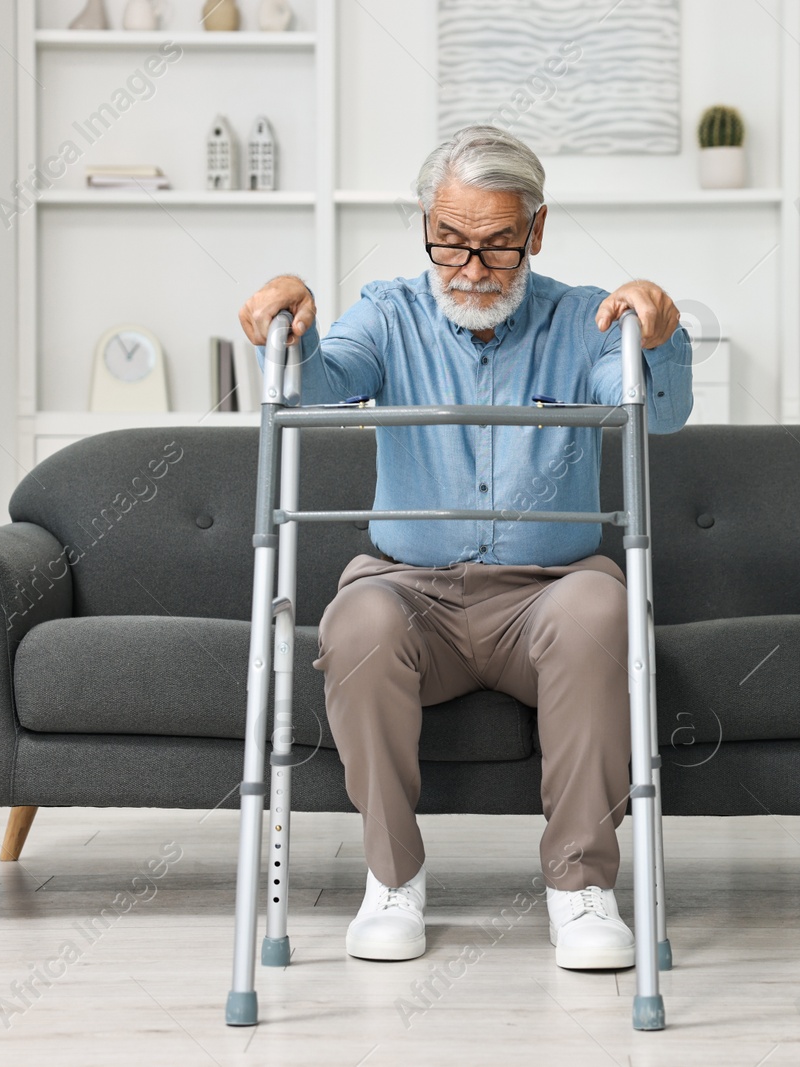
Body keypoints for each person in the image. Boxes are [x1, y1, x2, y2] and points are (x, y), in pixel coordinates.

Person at [239, 124, 692, 970]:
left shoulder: (588, 317)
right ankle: (392, 878)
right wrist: (287, 331)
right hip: (411, 591)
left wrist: (657, 335)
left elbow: (651, 410)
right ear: (425, 225)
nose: (472, 269)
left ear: (538, 229)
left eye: (496, 245)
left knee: (604, 604)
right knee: (355, 621)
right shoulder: (388, 311)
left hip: (548, 594)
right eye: (449, 243)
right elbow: (324, 380)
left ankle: (580, 889)